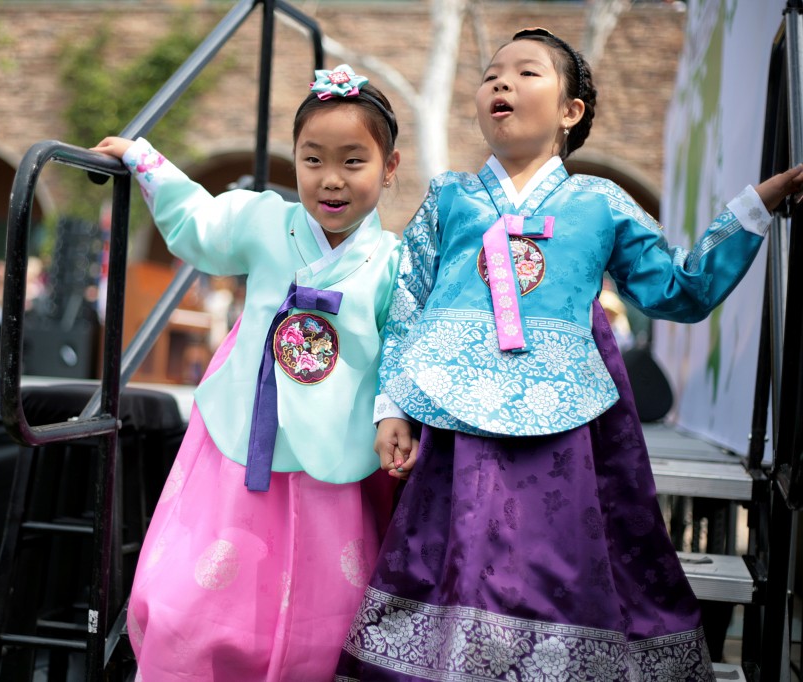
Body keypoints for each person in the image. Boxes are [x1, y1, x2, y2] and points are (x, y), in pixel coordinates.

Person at [337, 28, 803, 681]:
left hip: (568, 428)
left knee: (553, 561)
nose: (501, 82)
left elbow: (679, 289)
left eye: (526, 73)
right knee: (456, 556)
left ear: (570, 111)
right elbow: (409, 301)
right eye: (492, 73)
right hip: (452, 422)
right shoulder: (450, 198)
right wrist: (394, 406)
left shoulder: (601, 204)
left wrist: (754, 210)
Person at [91, 64, 403, 681]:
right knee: (197, 589)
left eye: (353, 161)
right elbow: (199, 223)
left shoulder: (393, 262)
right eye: (312, 160)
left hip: (332, 456)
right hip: (240, 442)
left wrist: (395, 413)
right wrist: (144, 159)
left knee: (327, 603)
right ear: (293, 161)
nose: (330, 180)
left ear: (389, 168)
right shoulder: (266, 221)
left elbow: (403, 349)